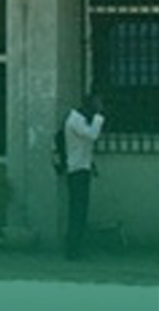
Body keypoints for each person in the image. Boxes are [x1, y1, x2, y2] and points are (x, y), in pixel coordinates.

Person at [63, 92, 105, 260]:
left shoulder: (79, 120)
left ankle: (76, 247)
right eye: (97, 104)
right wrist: (99, 116)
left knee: (80, 211)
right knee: (77, 212)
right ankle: (73, 250)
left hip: (82, 169)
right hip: (77, 171)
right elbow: (92, 135)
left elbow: (84, 145)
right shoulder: (75, 120)